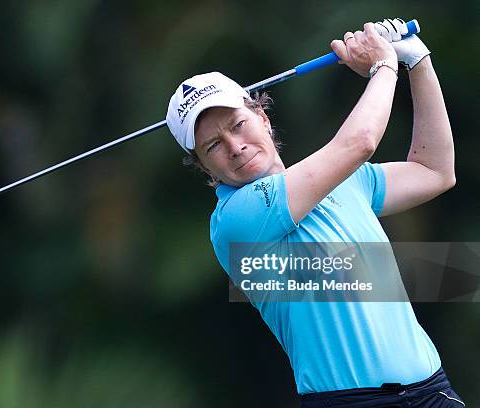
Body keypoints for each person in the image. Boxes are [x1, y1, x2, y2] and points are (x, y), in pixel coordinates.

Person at [165, 18, 465, 407]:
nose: (235, 146)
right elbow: (360, 142)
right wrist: (385, 66)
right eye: (213, 146)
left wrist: (419, 63)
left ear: (264, 118)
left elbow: (435, 171)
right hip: (351, 402)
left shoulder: (344, 181)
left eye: (238, 125)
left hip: (433, 391)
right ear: (204, 167)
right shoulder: (236, 220)